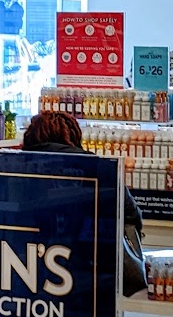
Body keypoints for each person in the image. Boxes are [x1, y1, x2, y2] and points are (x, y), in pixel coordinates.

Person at [21, 110, 147, 295]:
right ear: (73, 136)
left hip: (28, 265)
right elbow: (130, 213)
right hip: (90, 267)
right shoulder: (99, 166)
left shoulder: (17, 167)